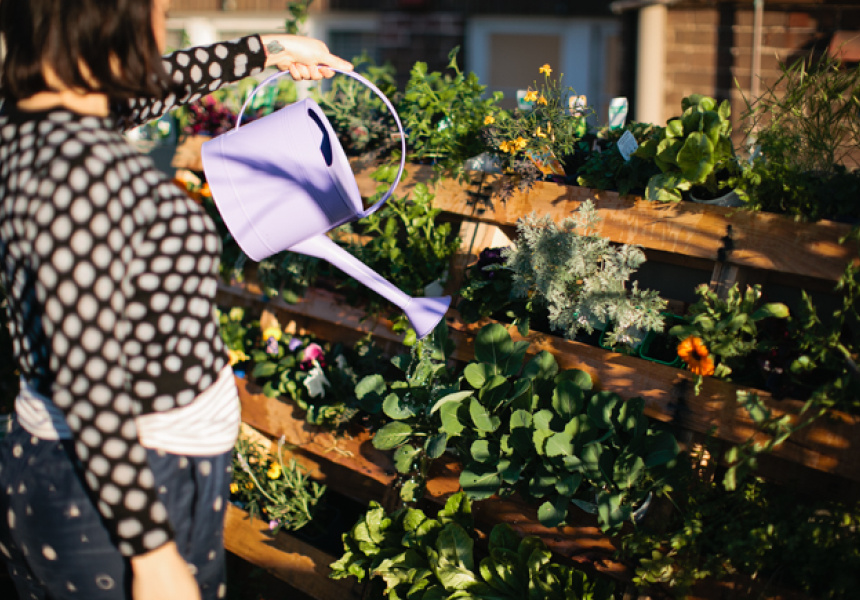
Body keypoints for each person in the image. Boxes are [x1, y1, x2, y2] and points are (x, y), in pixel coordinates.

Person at [0, 1, 352, 599]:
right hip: (126, 490)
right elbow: (86, 380)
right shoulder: (85, 174)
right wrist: (152, 551)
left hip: (80, 469)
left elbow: (142, 93)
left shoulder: (29, 129)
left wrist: (270, 49)